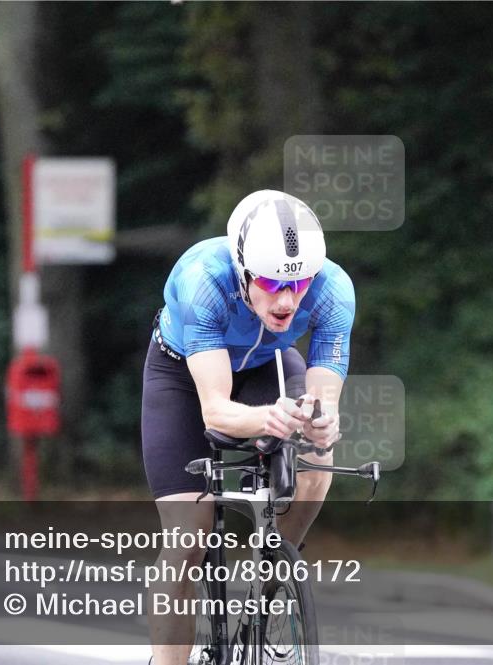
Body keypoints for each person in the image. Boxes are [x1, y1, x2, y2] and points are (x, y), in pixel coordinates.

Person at [140, 189, 355, 665]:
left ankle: (274, 576)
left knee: (319, 457)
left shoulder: (334, 289)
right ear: (242, 268)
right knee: (188, 538)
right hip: (182, 373)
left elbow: (322, 401)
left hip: (267, 363)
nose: (286, 299)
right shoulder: (202, 280)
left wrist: (320, 422)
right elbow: (215, 411)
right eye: (272, 283)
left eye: (298, 284)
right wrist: (268, 417)